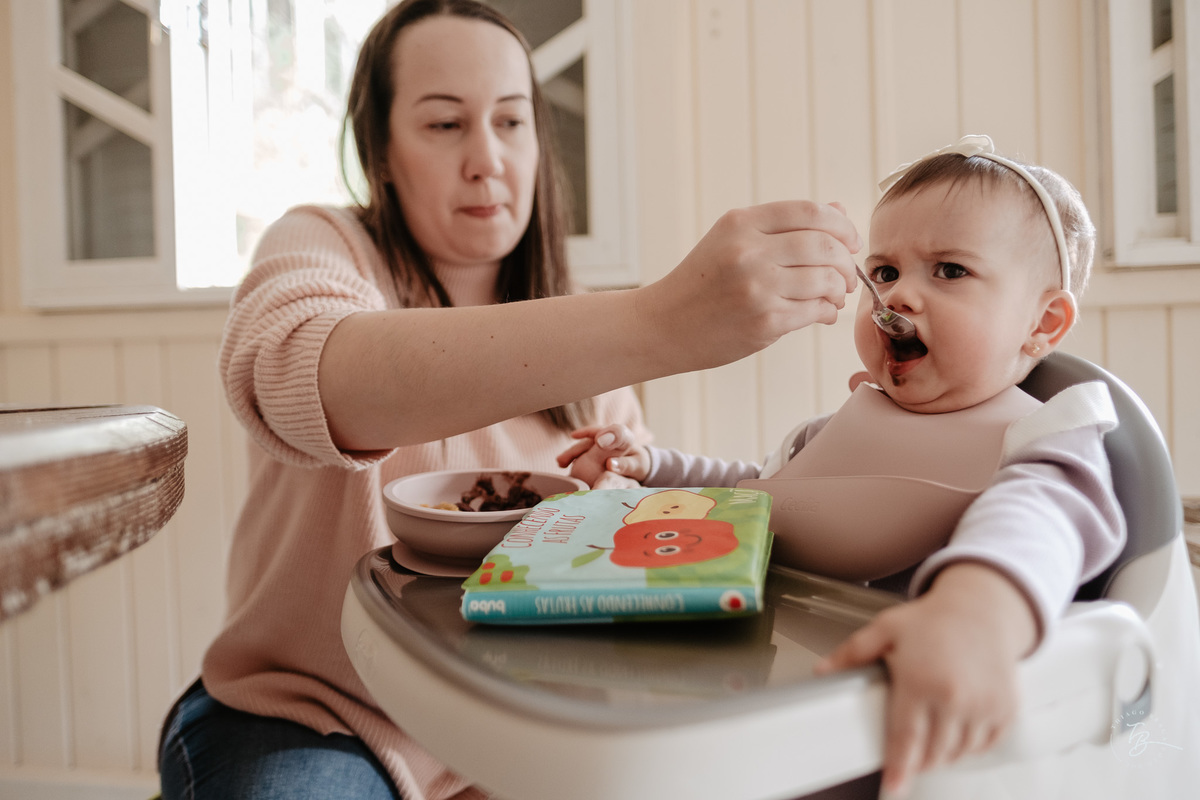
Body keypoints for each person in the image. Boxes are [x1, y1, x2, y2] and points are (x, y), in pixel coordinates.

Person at [156, 1, 863, 798]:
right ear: (381, 152)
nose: (487, 158)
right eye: (445, 124)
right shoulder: (324, 242)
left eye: (512, 121)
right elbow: (290, 373)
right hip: (308, 715)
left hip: (512, 746)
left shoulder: (592, 336)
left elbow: (627, 569)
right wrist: (664, 320)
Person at [558, 135, 1126, 798]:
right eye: (883, 273)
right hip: (778, 708)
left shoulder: (1040, 438)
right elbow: (764, 494)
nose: (902, 295)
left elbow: (1037, 523)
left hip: (907, 737)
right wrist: (654, 464)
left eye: (948, 271)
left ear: (1044, 322)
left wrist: (975, 613)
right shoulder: (848, 425)